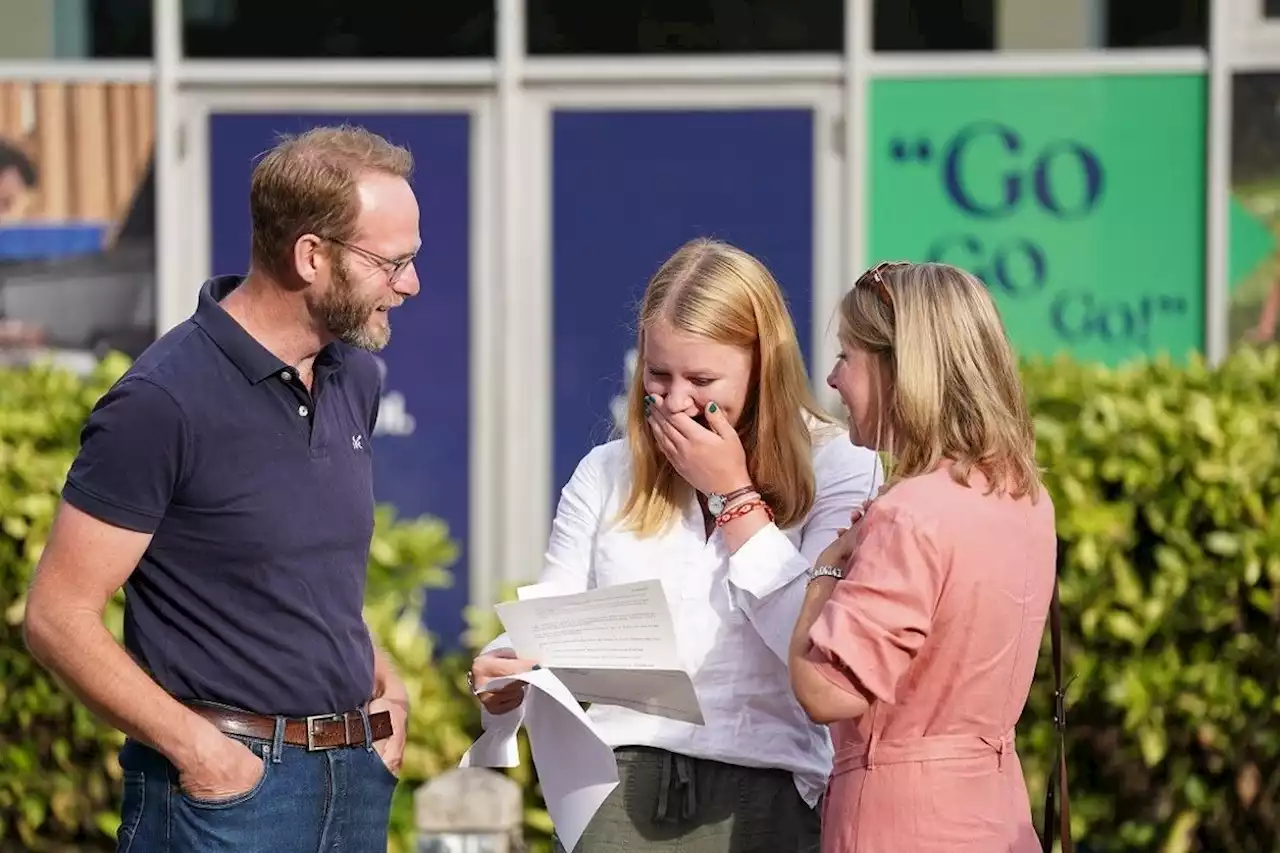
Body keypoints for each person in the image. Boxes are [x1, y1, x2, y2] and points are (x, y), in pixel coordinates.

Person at [23, 124, 420, 853]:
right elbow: (56, 615)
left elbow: (303, 576)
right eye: (391, 262)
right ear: (311, 255)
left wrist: (382, 682)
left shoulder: (352, 375)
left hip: (353, 786)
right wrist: (203, 754)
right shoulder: (160, 401)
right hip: (225, 802)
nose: (410, 284)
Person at [471, 237, 883, 853]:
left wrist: (734, 495)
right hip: (615, 786)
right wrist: (506, 670)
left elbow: (817, 647)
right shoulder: (607, 470)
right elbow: (552, 615)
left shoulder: (841, 466)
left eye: (703, 379)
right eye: (658, 376)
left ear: (762, 367)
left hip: (768, 791)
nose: (677, 400)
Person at [788, 261, 1056, 853]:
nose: (832, 378)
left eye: (848, 356)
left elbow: (826, 690)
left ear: (901, 369)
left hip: (900, 821)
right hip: (996, 814)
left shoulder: (910, 513)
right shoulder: (1026, 499)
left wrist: (828, 567)